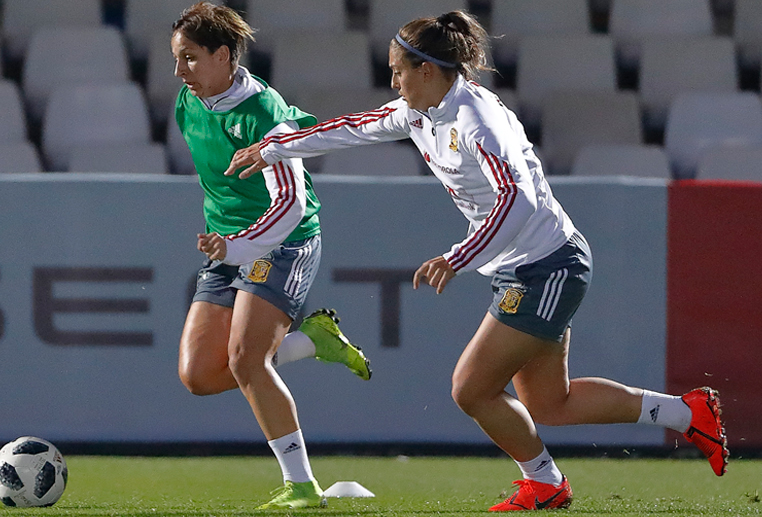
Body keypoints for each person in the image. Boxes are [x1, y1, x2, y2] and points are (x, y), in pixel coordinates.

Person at [226, 10, 728, 512]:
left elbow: (518, 200)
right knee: (550, 404)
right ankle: (687, 414)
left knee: (471, 389)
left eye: (398, 70)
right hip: (524, 266)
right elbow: (353, 128)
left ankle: (547, 483)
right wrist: (271, 148)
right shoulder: (420, 111)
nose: (393, 81)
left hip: (548, 265)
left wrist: (458, 256)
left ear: (427, 70)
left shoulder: (476, 120)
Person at [170, 2, 372, 509]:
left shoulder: (265, 113)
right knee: (197, 375)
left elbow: (290, 205)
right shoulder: (187, 102)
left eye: (190, 58)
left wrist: (237, 245)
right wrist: (227, 245)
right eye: (176, 58)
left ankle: (302, 487)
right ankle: (313, 342)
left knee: (245, 361)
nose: (179, 71)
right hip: (228, 247)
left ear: (223, 56)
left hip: (284, 243)